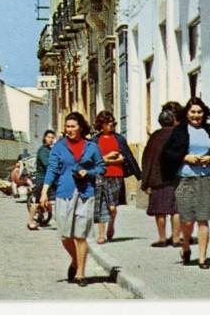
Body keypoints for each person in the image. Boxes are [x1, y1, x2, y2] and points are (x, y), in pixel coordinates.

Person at [160, 96, 210, 269]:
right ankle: (186, 246)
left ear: (204, 114)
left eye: (199, 112)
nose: (196, 115)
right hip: (185, 179)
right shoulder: (180, 131)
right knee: (187, 220)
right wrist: (184, 157)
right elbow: (167, 154)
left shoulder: (209, 132)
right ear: (187, 114)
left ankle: (202, 258)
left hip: (206, 177)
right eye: (193, 112)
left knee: (203, 219)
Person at [39, 112, 104, 287]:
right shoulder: (58, 147)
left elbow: (101, 168)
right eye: (67, 126)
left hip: (85, 193)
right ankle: (75, 260)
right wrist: (44, 192)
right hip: (64, 192)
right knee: (65, 235)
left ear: (80, 127)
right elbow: (52, 170)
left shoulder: (92, 147)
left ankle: (81, 274)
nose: (69, 130)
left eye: (73, 126)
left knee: (80, 235)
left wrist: (88, 172)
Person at [91, 110, 142, 244]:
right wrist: (108, 160)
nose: (110, 125)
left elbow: (128, 157)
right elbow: (91, 159)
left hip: (116, 175)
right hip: (100, 175)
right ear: (101, 125)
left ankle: (111, 225)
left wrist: (140, 177)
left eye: (112, 122)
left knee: (112, 207)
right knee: (101, 205)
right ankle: (101, 234)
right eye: (107, 123)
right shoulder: (95, 140)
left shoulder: (119, 138)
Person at [141, 101, 183, 247]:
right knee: (176, 209)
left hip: (158, 179)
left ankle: (162, 238)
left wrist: (145, 182)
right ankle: (177, 238)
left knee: (160, 210)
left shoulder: (155, 137)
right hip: (177, 178)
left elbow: (147, 159)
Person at [27, 130, 56, 230]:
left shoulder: (49, 150)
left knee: (48, 201)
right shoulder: (43, 150)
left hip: (48, 179)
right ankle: (30, 222)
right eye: (49, 137)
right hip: (42, 179)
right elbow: (47, 164)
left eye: (52, 138)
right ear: (44, 138)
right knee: (37, 201)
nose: (51, 139)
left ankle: (41, 217)